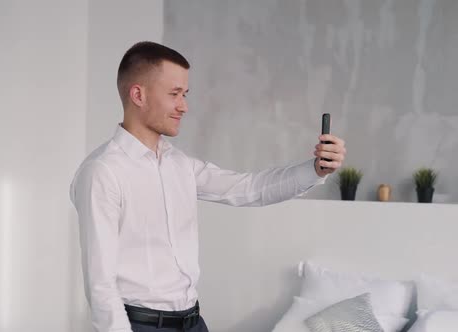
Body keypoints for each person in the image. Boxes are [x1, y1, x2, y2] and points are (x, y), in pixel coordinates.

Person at [70, 41, 347, 332]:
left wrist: (316, 170)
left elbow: (249, 188)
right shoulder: (102, 172)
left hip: (193, 323)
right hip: (141, 326)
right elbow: (100, 283)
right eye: (174, 94)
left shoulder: (180, 165)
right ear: (138, 94)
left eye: (185, 94)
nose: (184, 106)